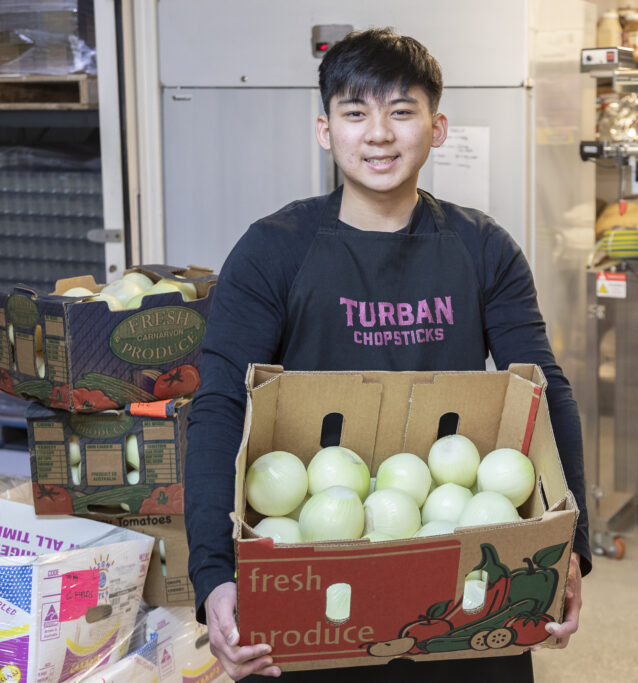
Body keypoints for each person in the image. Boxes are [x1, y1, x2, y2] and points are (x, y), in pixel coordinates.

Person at [183, 27, 591, 681]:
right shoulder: (273, 251)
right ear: (325, 130)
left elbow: (547, 392)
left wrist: (569, 544)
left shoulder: (483, 249)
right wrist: (214, 575)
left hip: (461, 586)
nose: (379, 134)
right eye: (355, 112)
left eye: (402, 111)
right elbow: (220, 406)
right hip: (316, 583)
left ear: (437, 126)